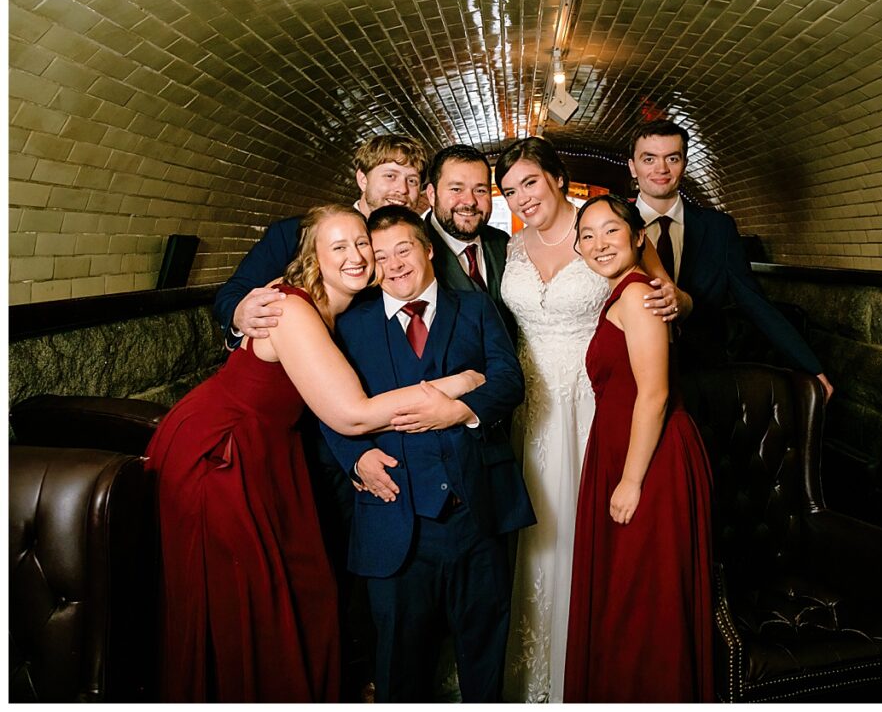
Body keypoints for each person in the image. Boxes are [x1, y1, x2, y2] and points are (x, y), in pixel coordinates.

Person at [145, 204, 485, 702]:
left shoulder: (343, 312)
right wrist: (460, 384)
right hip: (221, 453)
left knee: (300, 591)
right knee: (242, 601)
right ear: (313, 257)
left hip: (270, 451)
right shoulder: (291, 307)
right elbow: (350, 414)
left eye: (361, 244)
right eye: (338, 247)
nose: (356, 255)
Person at [494, 137, 682, 703]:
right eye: (510, 190)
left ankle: (584, 662)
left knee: (583, 531)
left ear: (556, 177)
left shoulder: (603, 228)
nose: (522, 197)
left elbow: (662, 294)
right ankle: (532, 670)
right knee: (532, 533)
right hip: (528, 409)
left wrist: (675, 299)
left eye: (530, 182)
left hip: (589, 404)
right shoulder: (512, 247)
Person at [320, 206, 534, 702]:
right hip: (394, 519)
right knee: (399, 664)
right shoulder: (351, 324)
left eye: (404, 249)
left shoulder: (477, 309)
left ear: (428, 249)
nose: (394, 264)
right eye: (380, 256)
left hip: (476, 514)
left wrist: (461, 412)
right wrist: (354, 458)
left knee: (484, 656)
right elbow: (321, 406)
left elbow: (509, 381)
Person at [563, 194, 714, 702]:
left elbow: (654, 394)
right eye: (588, 235)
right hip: (625, 451)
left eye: (611, 231)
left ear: (637, 238)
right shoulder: (625, 292)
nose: (599, 243)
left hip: (651, 461)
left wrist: (630, 481)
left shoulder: (637, 295)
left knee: (644, 598)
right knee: (627, 595)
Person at [628, 119, 834, 399]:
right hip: (629, 369)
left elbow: (754, 302)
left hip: (703, 376)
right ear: (632, 166)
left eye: (672, 158)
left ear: (684, 164)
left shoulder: (719, 229)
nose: (661, 169)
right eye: (649, 158)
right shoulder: (613, 224)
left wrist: (811, 367)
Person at [213, 132, 429, 348]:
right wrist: (239, 315)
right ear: (362, 179)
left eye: (412, 180)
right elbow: (233, 293)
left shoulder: (419, 247)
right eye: (390, 176)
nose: (402, 189)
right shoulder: (293, 233)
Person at [423, 144, 517, 339]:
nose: (470, 201)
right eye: (456, 189)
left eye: (480, 190)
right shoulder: (412, 251)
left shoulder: (503, 242)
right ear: (432, 195)